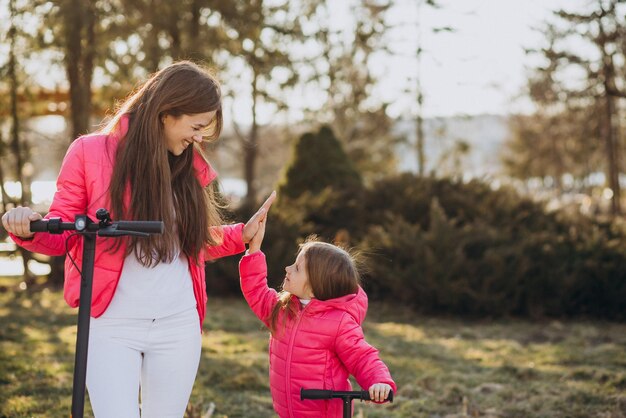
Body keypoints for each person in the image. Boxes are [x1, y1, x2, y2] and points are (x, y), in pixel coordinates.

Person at [1, 61, 276, 418]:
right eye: (195, 126)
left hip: (179, 325)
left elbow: (188, 243)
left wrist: (241, 234)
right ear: (166, 113)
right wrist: (27, 225)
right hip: (113, 325)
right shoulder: (89, 152)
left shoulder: (186, 166)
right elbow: (64, 230)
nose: (198, 137)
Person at [239, 217, 397, 417]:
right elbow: (256, 291)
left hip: (323, 412)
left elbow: (362, 357)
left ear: (315, 288)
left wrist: (379, 382)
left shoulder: (339, 323)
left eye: (296, 268)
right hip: (288, 410)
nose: (287, 269)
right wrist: (254, 250)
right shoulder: (283, 309)